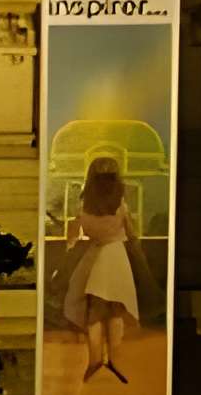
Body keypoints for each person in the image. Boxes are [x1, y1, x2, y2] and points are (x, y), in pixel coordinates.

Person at [56, 152, 143, 383]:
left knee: (94, 312)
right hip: (116, 257)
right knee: (115, 310)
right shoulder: (120, 205)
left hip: (95, 257)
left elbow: (72, 236)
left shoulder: (85, 206)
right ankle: (115, 359)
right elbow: (132, 233)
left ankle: (95, 360)